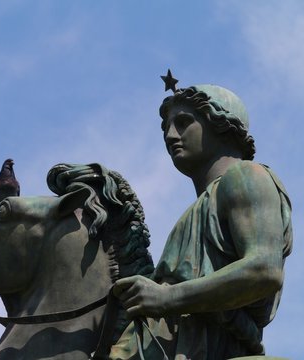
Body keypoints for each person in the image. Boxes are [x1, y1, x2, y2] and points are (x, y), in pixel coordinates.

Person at [110, 81, 293, 359]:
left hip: (210, 347)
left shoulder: (245, 177)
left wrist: (167, 298)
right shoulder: (197, 209)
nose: (171, 136)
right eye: (166, 128)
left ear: (221, 124)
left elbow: (264, 269)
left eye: (184, 122)